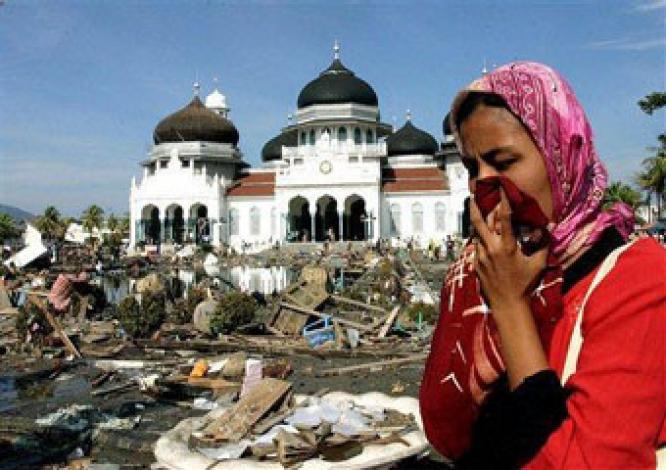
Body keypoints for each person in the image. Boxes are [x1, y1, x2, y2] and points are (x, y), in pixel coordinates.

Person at [420, 62, 665, 469]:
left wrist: (511, 307)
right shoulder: (496, 271)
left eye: (503, 161)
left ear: (560, 156)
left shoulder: (639, 279)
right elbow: (452, 434)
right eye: (472, 168)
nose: (484, 184)